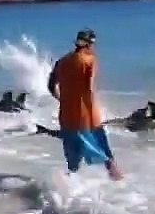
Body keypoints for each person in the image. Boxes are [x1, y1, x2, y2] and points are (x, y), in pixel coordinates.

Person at [47, 29, 122, 180]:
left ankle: (66, 188)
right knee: (106, 156)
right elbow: (89, 88)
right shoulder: (89, 60)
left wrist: (64, 101)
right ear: (89, 44)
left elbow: (51, 86)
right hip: (87, 117)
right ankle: (120, 185)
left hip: (66, 118)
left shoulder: (62, 61)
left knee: (73, 164)